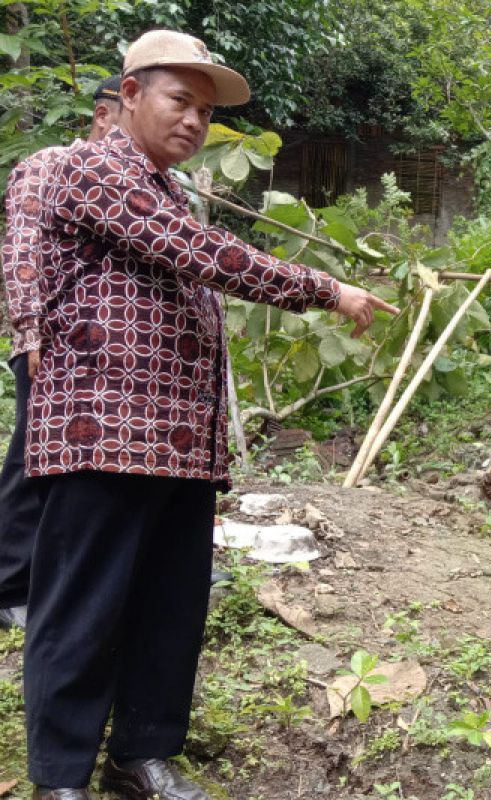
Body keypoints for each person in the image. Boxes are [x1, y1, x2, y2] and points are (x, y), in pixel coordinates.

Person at [22, 30, 399, 800]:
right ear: (129, 96)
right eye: (178, 101)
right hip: (103, 428)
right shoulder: (95, 169)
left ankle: (141, 755)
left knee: (169, 604)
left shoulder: (169, 185)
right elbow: (203, 254)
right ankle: (61, 776)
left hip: (178, 440)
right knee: (83, 604)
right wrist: (325, 289)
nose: (194, 122)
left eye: (203, 110)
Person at [0, 75, 124, 630]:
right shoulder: (49, 165)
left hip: (111, 359)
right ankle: (9, 584)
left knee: (91, 476)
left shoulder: (146, 182)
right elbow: (22, 245)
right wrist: (29, 330)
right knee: (33, 458)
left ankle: (71, 581)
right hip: (52, 348)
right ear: (105, 115)